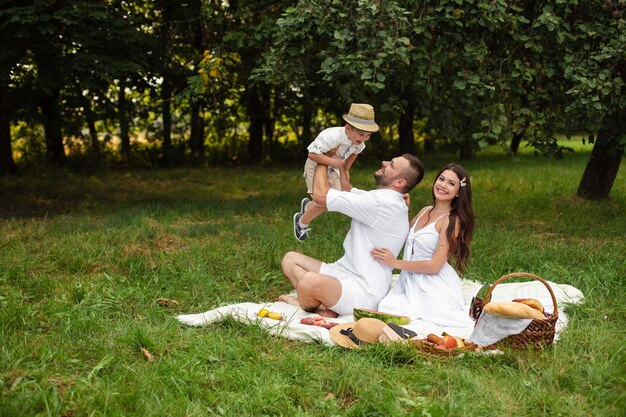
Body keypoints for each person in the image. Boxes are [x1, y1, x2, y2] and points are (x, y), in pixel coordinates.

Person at [280, 153, 425, 318]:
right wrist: (342, 166)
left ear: (399, 182)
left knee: (308, 282)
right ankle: (325, 305)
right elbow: (346, 189)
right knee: (290, 259)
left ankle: (310, 305)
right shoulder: (383, 198)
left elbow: (320, 197)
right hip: (342, 271)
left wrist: (323, 158)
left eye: (391, 164)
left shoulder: (381, 203)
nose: (384, 162)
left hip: (362, 291)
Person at [371, 163, 475, 327]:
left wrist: (394, 263)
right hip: (409, 280)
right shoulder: (425, 210)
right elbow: (403, 233)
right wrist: (403, 209)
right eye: (441, 179)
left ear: (458, 193)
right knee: (386, 308)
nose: (443, 185)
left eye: (451, 183)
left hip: (433, 283)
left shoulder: (451, 221)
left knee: (419, 319)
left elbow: (435, 266)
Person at [293, 103, 379, 242]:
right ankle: (301, 223)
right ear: (348, 128)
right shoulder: (332, 136)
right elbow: (312, 155)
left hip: (335, 168)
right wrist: (334, 163)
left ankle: (308, 207)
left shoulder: (359, 142)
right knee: (323, 201)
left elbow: (354, 154)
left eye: (368, 135)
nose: (364, 138)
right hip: (316, 166)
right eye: (361, 134)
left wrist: (345, 169)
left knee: (334, 200)